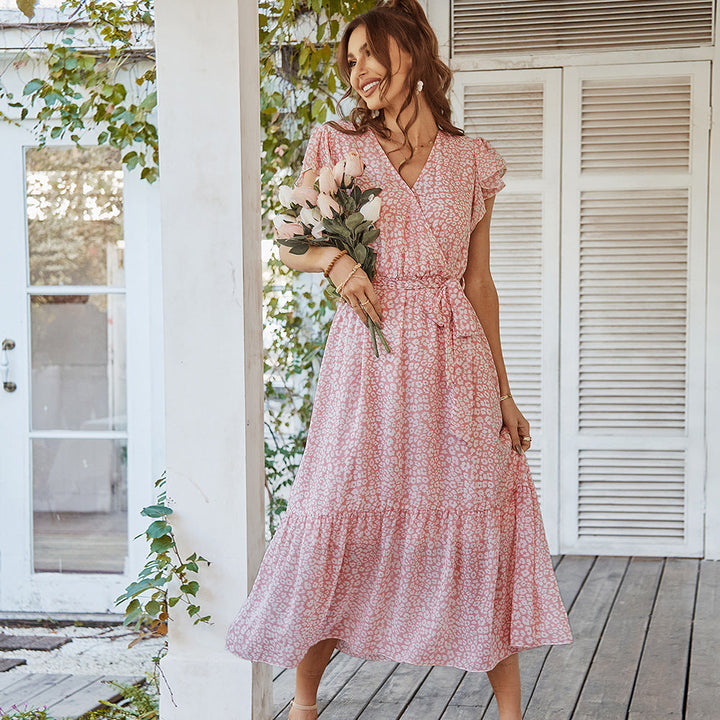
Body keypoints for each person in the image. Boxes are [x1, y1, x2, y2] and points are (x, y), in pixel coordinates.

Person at [226, 1, 573, 718]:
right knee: (342, 510)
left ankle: (509, 711)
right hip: (371, 363)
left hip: (457, 360)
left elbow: (479, 283)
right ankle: (304, 701)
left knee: (479, 514)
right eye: (349, 61)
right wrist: (337, 266)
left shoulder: (471, 159)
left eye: (369, 54)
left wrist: (505, 393)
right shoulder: (337, 145)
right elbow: (291, 241)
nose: (358, 71)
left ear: (412, 53)